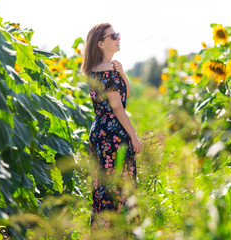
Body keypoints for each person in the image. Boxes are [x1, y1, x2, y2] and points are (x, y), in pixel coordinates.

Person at [81, 23, 142, 232]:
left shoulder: (99, 69)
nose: (118, 38)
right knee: (118, 189)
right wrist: (133, 136)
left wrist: (122, 72)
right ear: (100, 43)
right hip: (113, 136)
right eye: (113, 36)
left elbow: (124, 95)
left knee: (104, 191)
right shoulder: (106, 70)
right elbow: (117, 107)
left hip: (100, 132)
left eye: (118, 35)